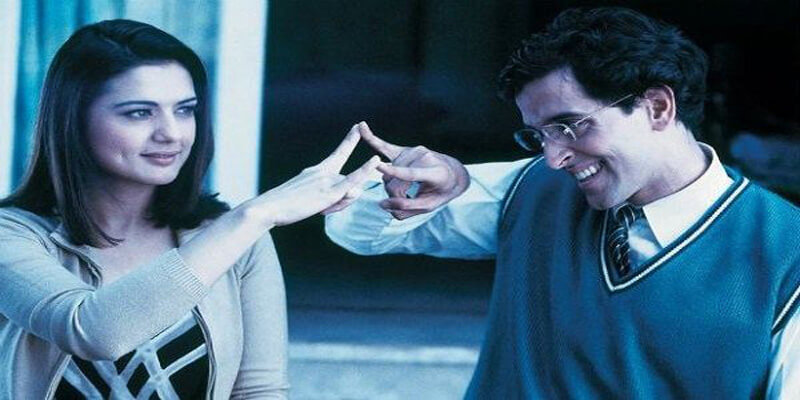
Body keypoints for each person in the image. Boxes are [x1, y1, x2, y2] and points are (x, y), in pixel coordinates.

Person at [326, 7, 800, 399]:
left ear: (657, 107)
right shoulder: (530, 189)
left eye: (570, 126)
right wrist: (416, 185)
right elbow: (353, 229)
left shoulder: (787, 255)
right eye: (539, 135)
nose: (554, 158)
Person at [0, 20, 378, 399]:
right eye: (139, 113)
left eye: (184, 110)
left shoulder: (237, 239)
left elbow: (259, 390)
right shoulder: (12, 235)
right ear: (73, 119)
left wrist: (247, 223)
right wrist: (255, 214)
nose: (172, 133)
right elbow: (94, 331)